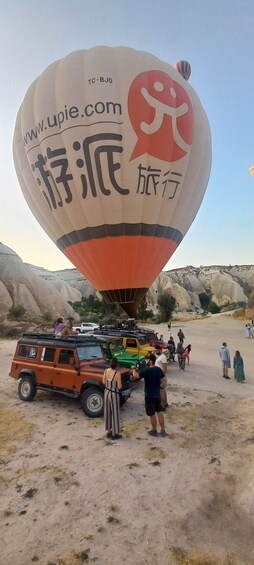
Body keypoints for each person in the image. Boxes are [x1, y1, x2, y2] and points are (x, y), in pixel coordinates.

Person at [133, 354, 167, 437]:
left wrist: (134, 369)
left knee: (152, 414)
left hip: (149, 396)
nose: (146, 361)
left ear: (151, 361)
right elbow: (165, 380)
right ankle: (163, 430)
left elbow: (135, 376)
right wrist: (161, 387)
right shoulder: (158, 370)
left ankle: (154, 430)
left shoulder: (146, 370)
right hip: (157, 395)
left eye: (147, 359)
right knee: (159, 412)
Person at [103, 357, 122, 440]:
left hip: (106, 392)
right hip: (114, 393)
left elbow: (103, 381)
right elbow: (119, 386)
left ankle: (109, 431)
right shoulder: (118, 373)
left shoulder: (106, 371)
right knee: (115, 413)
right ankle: (114, 433)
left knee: (107, 412)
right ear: (116, 364)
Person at [154, 345, 168, 411]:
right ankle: (165, 403)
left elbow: (165, 369)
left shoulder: (163, 357)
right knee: (163, 391)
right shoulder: (159, 356)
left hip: (160, 377)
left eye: (156, 350)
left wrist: (162, 377)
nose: (155, 351)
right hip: (159, 376)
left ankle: (163, 406)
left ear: (160, 350)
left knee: (161, 392)